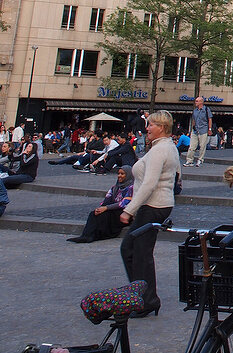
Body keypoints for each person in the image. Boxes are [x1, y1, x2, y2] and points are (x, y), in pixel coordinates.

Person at [120, 110, 179, 318]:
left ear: (161, 127)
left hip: (152, 206)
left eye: (151, 125)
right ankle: (144, 297)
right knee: (136, 250)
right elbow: (178, 175)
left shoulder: (159, 150)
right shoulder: (169, 147)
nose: (147, 128)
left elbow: (149, 184)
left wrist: (129, 210)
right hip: (159, 205)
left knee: (135, 251)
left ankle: (145, 299)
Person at [68, 166, 134, 243]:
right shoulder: (115, 187)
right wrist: (100, 208)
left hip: (124, 212)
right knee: (94, 214)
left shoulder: (132, 187)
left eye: (122, 174)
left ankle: (94, 236)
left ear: (128, 175)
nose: (119, 176)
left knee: (106, 215)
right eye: (118, 173)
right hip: (112, 209)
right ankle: (86, 236)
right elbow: (107, 199)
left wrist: (106, 208)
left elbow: (124, 203)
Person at [184, 96, 214, 166]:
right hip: (195, 130)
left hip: (203, 130)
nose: (195, 102)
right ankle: (189, 160)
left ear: (201, 102)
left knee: (202, 146)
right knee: (192, 146)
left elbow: (210, 119)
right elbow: (194, 119)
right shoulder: (195, 110)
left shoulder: (206, 109)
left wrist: (209, 129)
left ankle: (200, 159)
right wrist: (193, 127)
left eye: (197, 101)